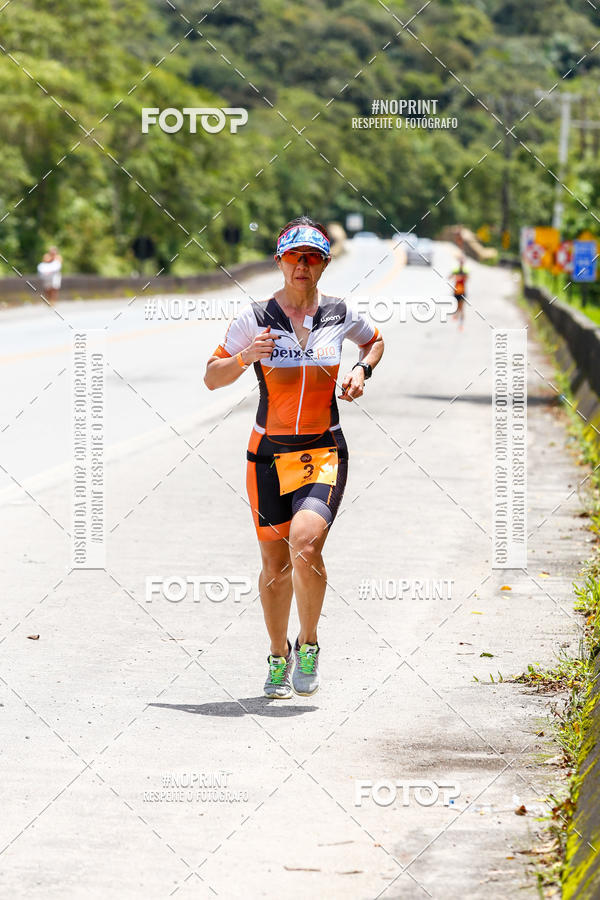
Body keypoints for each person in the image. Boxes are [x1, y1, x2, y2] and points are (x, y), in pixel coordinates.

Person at [205, 216, 384, 699]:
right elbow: (211, 377)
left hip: (323, 449)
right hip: (266, 454)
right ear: (280, 262)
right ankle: (277, 655)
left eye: (311, 257)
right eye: (292, 256)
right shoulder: (255, 319)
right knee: (274, 564)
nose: (301, 265)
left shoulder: (339, 313)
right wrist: (245, 358)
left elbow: (375, 340)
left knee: (305, 545)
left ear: (324, 263)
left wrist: (362, 370)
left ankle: (309, 644)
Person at [450, 254, 469, 330]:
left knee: (461, 309)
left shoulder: (465, 271)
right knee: (457, 307)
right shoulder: (456, 270)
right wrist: (455, 276)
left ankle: (461, 324)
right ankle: (457, 316)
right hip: (456, 291)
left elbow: (467, 279)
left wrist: (461, 277)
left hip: (462, 291)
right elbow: (450, 276)